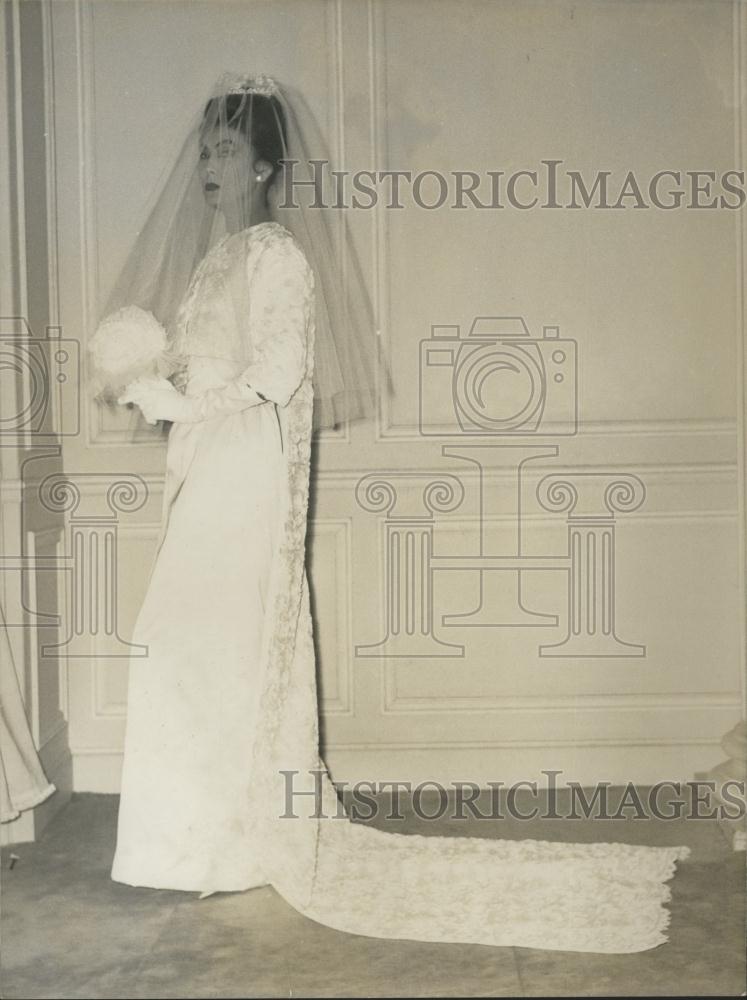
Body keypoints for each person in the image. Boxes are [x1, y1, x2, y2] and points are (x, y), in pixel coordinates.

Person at [103, 73, 688, 952]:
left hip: (246, 474)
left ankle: (232, 845)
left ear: (266, 164)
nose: (211, 164)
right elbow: (210, 368)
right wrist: (155, 380)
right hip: (209, 470)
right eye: (206, 148)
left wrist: (178, 402)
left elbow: (275, 374)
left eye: (228, 148)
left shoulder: (276, 255)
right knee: (184, 651)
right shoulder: (214, 262)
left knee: (213, 649)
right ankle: (194, 845)